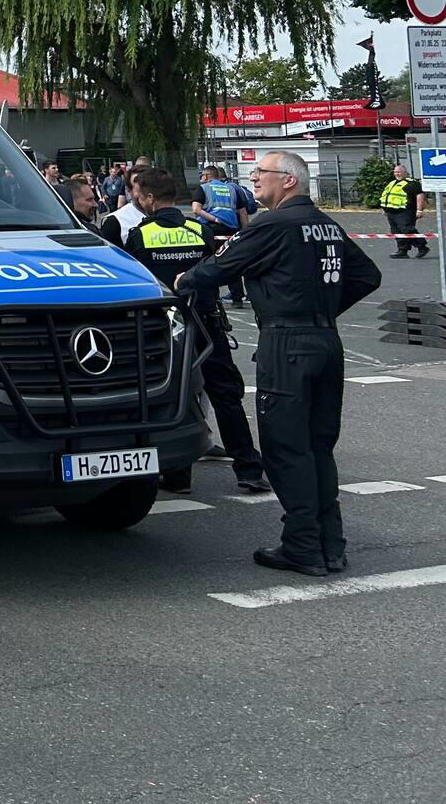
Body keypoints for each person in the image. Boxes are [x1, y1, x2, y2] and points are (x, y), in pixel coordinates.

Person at [177, 150, 381, 576]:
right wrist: (319, 309)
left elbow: (216, 269)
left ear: (288, 180)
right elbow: (366, 276)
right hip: (325, 340)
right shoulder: (324, 223)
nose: (253, 179)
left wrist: (181, 281)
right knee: (317, 446)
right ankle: (330, 545)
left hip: (286, 344)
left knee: (286, 447)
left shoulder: (273, 224)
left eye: (260, 173)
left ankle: (303, 546)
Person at [116, 168, 266, 494]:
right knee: (226, 396)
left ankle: (178, 475)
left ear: (151, 197)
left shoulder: (139, 234)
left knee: (175, 395)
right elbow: (216, 270)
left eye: (138, 194)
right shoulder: (200, 229)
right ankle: (249, 469)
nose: (136, 199)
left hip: (164, 327)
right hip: (207, 321)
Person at [191, 163, 257, 306]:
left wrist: (214, 219)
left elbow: (196, 209)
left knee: (208, 263)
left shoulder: (203, 189)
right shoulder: (232, 189)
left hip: (209, 229)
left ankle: (213, 297)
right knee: (231, 263)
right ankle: (237, 297)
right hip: (231, 229)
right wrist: (244, 233)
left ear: (207, 176)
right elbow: (243, 212)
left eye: (202, 175)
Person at [380, 163, 427, 258]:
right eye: (395, 172)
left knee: (407, 230)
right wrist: (384, 209)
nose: (397, 174)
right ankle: (402, 250)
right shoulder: (392, 183)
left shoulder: (412, 183)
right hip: (391, 212)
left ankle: (422, 247)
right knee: (396, 231)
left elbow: (420, 196)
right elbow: (387, 196)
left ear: (405, 172)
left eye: (399, 172)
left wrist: (419, 210)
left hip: (405, 212)